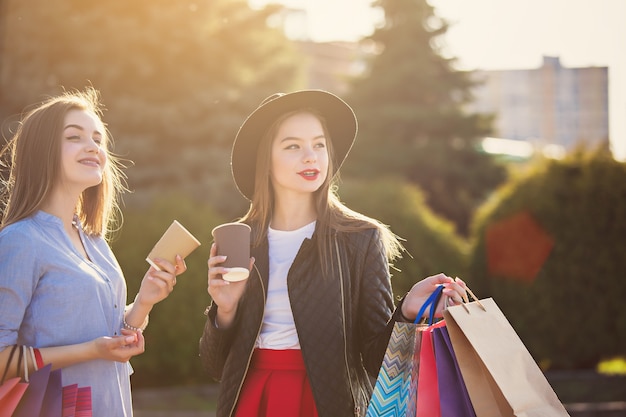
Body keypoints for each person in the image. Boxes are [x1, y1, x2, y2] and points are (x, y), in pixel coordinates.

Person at [199, 90, 469, 417]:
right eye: (293, 146)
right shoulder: (241, 239)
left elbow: (374, 360)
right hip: (252, 400)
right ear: (265, 160)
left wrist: (407, 312)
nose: (310, 156)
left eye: (319, 144)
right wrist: (224, 311)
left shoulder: (359, 239)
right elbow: (215, 366)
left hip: (327, 403)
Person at [0, 88, 186, 416]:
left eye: (98, 139)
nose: (93, 147)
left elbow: (108, 334)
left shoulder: (94, 241)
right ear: (41, 151)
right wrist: (92, 350)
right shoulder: (21, 240)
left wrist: (144, 302)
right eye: (75, 137)